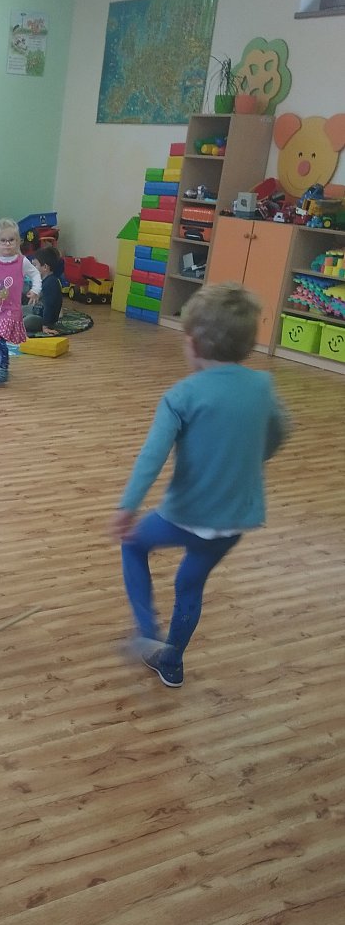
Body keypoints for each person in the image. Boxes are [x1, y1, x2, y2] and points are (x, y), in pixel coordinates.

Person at [110, 282, 289, 688]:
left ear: (191, 343)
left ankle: (146, 631)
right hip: (234, 522)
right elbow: (281, 431)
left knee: (134, 544)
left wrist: (127, 507)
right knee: (189, 585)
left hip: (185, 515)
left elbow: (151, 457)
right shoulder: (263, 386)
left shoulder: (181, 395)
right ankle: (172, 663)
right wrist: (254, 458)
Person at [0, 217, 41, 385]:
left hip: (11, 310)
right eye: (3, 240)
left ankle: (3, 368)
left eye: (11, 240)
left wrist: (35, 290)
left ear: (18, 241)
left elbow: (35, 274)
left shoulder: (21, 262)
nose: (7, 244)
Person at [22, 245, 63, 336]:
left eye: (35, 265)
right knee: (16, 311)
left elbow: (50, 306)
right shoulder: (42, 281)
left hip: (42, 319)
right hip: (36, 310)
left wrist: (46, 326)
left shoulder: (51, 282)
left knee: (26, 321)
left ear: (45, 267)